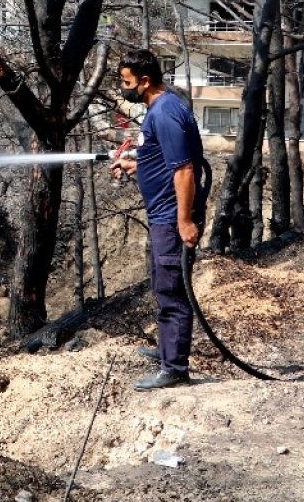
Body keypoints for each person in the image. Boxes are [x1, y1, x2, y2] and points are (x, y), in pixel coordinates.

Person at [110, 49, 208, 391]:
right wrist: (134, 165)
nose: (124, 88)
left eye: (127, 82)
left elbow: (184, 170)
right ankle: (168, 350)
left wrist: (184, 221)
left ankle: (175, 368)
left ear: (145, 80)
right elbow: (164, 161)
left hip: (171, 217)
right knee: (161, 284)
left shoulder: (164, 113)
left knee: (171, 290)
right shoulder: (161, 109)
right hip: (163, 214)